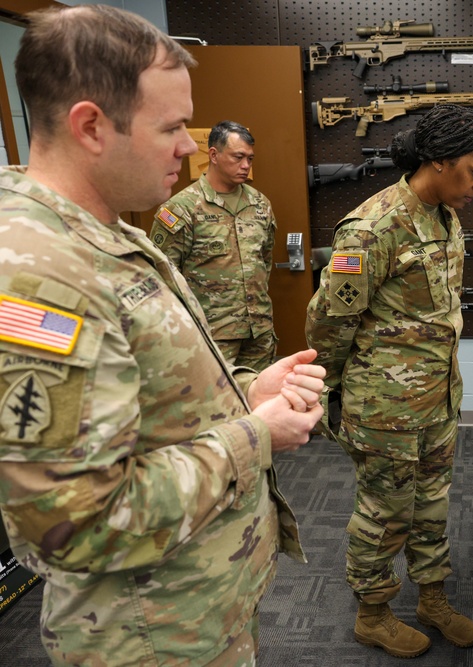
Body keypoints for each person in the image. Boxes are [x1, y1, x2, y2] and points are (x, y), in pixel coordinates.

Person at [0, 6, 325, 666]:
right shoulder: (43, 276)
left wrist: (245, 390)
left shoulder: (111, 235)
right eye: (173, 126)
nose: (188, 144)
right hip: (148, 637)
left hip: (196, 608)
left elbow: (150, 407)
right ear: (91, 125)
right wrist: (256, 433)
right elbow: (75, 524)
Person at [304, 104, 473, 659]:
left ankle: (431, 599)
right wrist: (330, 393)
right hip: (384, 407)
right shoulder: (374, 228)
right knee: (384, 512)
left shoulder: (444, 215)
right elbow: (329, 323)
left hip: (436, 400)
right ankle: (372, 613)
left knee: (433, 504)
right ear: (438, 163)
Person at [150, 120, 278, 371]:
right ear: (214, 155)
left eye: (250, 159)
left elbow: (264, 260)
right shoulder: (182, 208)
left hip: (259, 330)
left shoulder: (260, 204)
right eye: (238, 157)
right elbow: (163, 276)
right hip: (212, 332)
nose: (245, 166)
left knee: (262, 402)